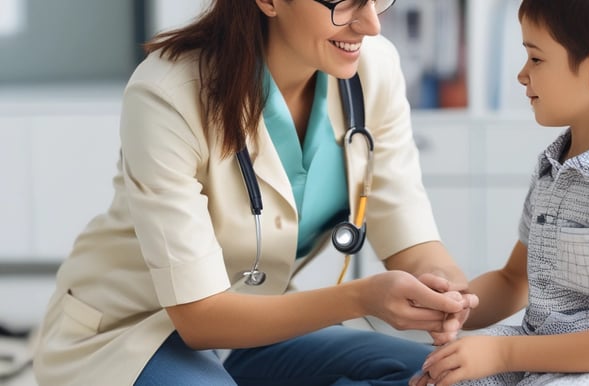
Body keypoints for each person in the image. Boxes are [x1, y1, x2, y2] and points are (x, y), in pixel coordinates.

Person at [32, 1, 478, 385]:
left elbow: (411, 238)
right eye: (344, 2)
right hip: (133, 329)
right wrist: (361, 298)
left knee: (436, 371)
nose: (370, 24)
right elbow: (199, 317)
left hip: (259, 325)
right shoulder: (167, 93)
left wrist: (444, 288)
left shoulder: (374, 68)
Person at [410, 0, 589, 385]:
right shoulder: (553, 167)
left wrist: (502, 353)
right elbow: (515, 280)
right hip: (541, 344)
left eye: (536, 59)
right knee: (440, 375)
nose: (521, 75)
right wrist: (457, 307)